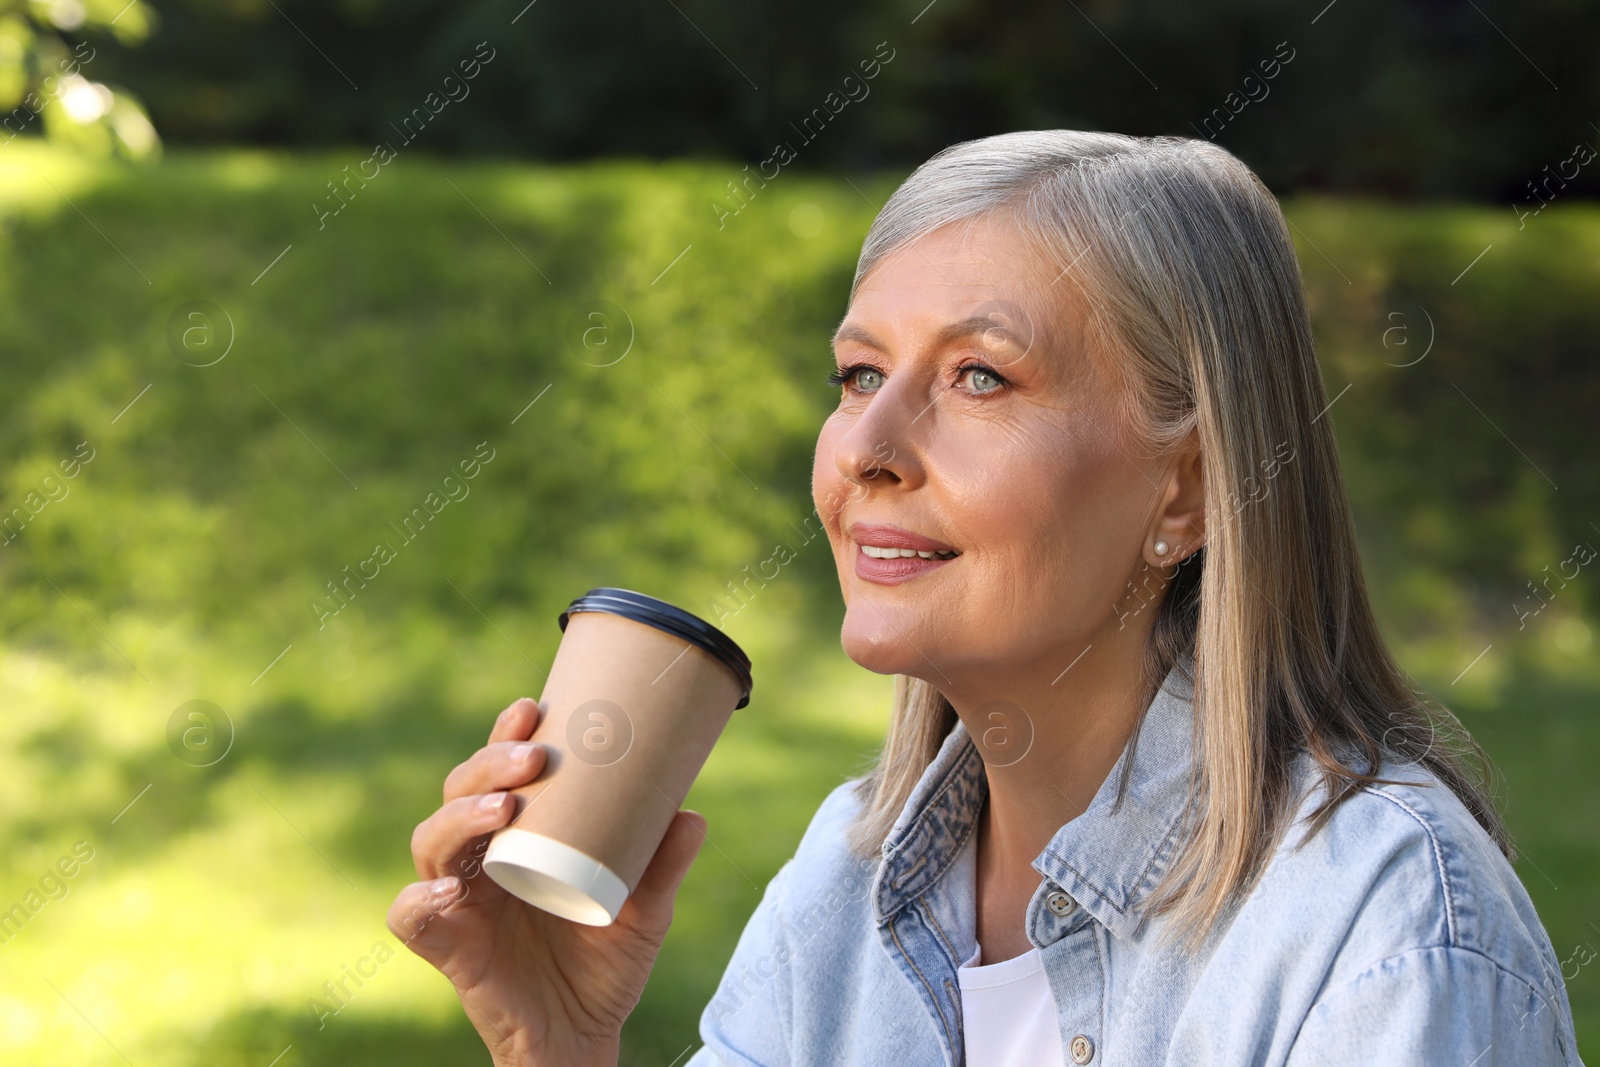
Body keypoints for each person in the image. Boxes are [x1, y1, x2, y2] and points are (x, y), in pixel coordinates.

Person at [387, 131, 1585, 1066]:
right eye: (858, 373)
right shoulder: (843, 886)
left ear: (1187, 488)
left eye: (978, 375)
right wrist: (559, 1041)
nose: (867, 443)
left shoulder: (1374, 922)